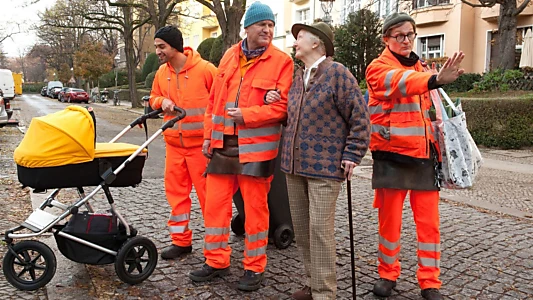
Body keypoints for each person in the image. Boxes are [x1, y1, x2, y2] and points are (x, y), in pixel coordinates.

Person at [188, 1, 293, 292]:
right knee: (215, 207)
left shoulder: (282, 62)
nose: (268, 30)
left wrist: (248, 114)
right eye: (263, 25)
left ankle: (254, 267)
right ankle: (216, 260)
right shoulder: (229, 57)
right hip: (223, 146)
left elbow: (283, 109)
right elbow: (214, 103)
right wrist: (208, 137)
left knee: (256, 210)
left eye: (271, 25)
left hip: (257, 151)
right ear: (248, 27)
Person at [266, 22, 370, 300]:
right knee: (302, 230)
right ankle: (312, 284)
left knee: (320, 231)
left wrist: (353, 154)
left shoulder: (338, 74)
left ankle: (325, 293)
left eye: (300, 37)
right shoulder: (298, 77)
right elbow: (293, 117)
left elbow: (360, 119)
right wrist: (275, 98)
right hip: (294, 166)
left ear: (317, 43)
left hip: (325, 169)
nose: (295, 41)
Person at [365, 12, 465, 300]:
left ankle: (430, 282)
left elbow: (424, 108)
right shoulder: (378, 67)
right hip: (391, 156)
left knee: (429, 225)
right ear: (386, 39)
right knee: (389, 223)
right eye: (399, 35)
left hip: (423, 156)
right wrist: (434, 78)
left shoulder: (421, 66)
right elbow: (399, 82)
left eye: (410, 34)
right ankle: (387, 274)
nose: (407, 39)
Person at [149, 25, 217, 260]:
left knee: (210, 199)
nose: (157, 51)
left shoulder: (206, 70)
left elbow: (221, 102)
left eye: (161, 46)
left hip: (201, 148)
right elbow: (152, 97)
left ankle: (215, 251)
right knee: (176, 196)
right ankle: (181, 241)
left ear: (175, 47)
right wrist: (161, 102)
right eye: (156, 46)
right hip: (174, 147)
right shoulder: (161, 73)